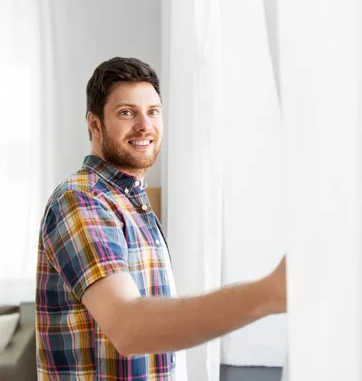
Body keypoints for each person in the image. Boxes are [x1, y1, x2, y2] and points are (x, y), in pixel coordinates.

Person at [35, 57, 287, 380]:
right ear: (94, 124)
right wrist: (270, 293)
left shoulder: (132, 201)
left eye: (153, 111)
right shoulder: (82, 200)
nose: (144, 125)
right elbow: (129, 327)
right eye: (127, 112)